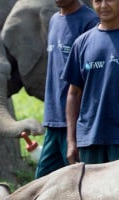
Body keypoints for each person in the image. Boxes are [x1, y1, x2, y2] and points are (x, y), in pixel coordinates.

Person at [35, 0, 99, 178]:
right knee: (41, 184)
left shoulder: (89, 22)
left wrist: (75, 135)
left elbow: (91, 76)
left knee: (77, 185)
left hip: (76, 124)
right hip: (53, 121)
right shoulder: (54, 20)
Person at [62, 0, 119, 164]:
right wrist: (72, 141)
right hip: (89, 140)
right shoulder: (81, 43)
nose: (104, 5)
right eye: (98, 0)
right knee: (90, 191)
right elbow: (73, 94)